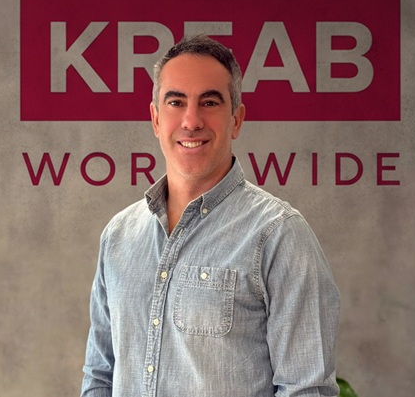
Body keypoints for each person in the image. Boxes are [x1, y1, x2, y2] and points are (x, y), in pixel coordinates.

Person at [81, 35, 340, 397]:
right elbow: (100, 377)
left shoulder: (279, 235)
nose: (191, 121)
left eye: (209, 102)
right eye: (176, 102)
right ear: (155, 118)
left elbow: (307, 390)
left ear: (236, 119)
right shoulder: (119, 235)